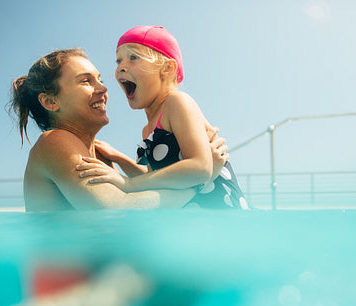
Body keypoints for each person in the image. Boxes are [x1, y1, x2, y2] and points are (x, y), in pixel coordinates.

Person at [9, 48, 228, 212]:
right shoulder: (54, 141)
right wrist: (200, 182)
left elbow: (143, 200)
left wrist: (123, 162)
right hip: (66, 275)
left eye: (100, 80)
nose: (103, 88)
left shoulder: (101, 159)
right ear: (50, 101)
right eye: (86, 81)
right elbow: (119, 211)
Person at [78, 26, 250, 209]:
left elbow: (200, 168)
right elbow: (160, 177)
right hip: (194, 215)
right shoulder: (149, 129)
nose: (120, 67)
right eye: (119, 60)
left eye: (133, 57)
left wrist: (127, 184)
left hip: (224, 212)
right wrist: (119, 158)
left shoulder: (177, 103)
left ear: (167, 69)